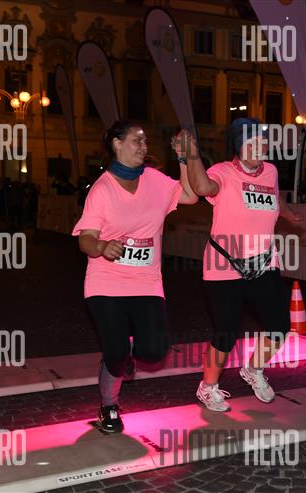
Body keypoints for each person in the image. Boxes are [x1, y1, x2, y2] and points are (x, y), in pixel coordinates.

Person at [73, 120, 197, 432]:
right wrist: (102, 246)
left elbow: (190, 195)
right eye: (136, 141)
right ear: (117, 144)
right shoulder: (102, 189)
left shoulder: (154, 179)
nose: (144, 146)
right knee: (115, 353)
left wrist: (184, 159)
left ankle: (125, 353)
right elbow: (85, 239)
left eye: (145, 142)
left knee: (154, 352)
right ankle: (109, 405)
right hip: (106, 282)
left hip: (146, 282)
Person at [177, 117, 303, 412]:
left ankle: (253, 369)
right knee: (227, 332)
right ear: (238, 146)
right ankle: (207, 387)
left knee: (279, 326)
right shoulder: (222, 172)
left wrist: (288, 213)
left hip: (264, 262)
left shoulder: (270, 171)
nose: (259, 147)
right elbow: (202, 187)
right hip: (225, 264)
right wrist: (191, 155)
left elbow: (274, 196)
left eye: (262, 142)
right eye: (252, 142)